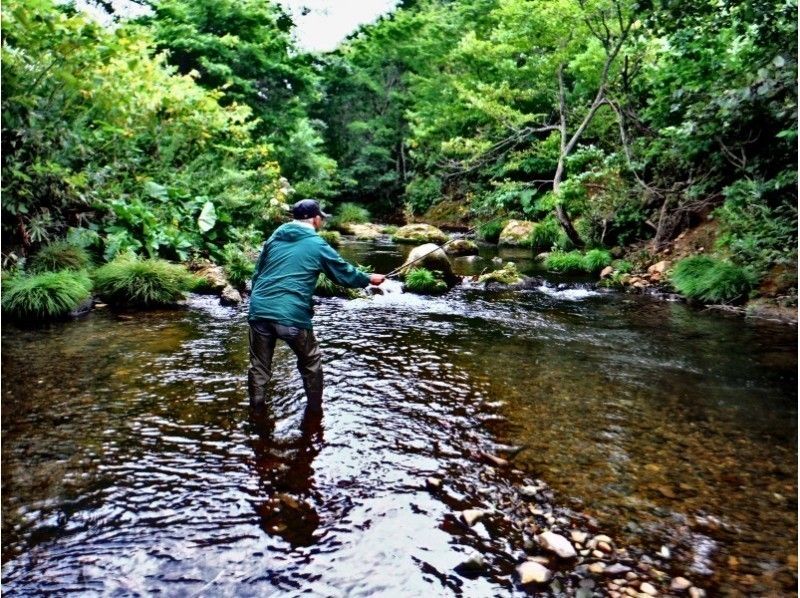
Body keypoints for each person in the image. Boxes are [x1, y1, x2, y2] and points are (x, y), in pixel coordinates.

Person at [247, 199, 385, 414]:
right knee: (311, 362)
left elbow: (257, 273)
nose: (322, 220)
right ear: (315, 218)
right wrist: (368, 278)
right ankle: (314, 411)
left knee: (259, 366)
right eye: (322, 217)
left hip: (259, 310)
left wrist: (258, 303)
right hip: (291, 315)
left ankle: (256, 411)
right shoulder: (316, 244)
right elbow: (343, 273)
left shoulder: (274, 237)